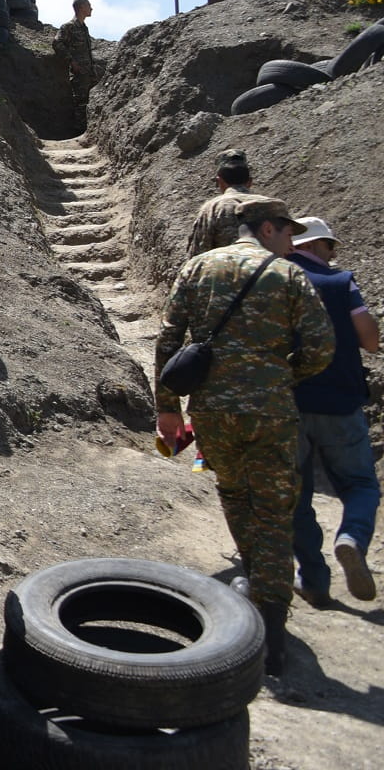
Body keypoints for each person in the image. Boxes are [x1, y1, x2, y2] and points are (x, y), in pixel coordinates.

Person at [155, 197, 334, 676]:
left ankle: (255, 587)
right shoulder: (287, 274)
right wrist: (281, 376)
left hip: (212, 413)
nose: (293, 242)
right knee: (274, 513)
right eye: (290, 233)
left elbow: (169, 341)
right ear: (270, 228)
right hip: (271, 412)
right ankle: (271, 636)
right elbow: (321, 347)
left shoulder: (196, 268)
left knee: (235, 495)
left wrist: (168, 410)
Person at [285, 216, 380, 606]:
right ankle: (352, 537)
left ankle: (314, 581)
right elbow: (371, 340)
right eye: (329, 246)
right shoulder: (341, 283)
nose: (333, 254)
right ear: (313, 246)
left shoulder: (275, 282)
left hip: (289, 403)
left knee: (298, 496)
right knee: (360, 484)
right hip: (341, 402)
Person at [187, 149, 256, 258]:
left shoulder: (212, 209)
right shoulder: (274, 206)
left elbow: (198, 255)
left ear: (219, 181)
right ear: (250, 182)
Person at [53, 0, 97, 102]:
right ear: (82, 7)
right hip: (78, 74)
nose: (91, 9)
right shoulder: (69, 27)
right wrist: (71, 62)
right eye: (89, 6)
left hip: (89, 73)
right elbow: (57, 43)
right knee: (80, 104)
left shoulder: (84, 28)